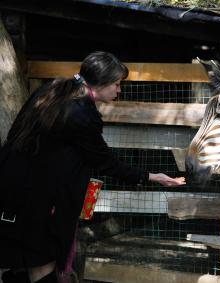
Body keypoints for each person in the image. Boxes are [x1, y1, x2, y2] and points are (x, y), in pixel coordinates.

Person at [0, 51, 186, 283]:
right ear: (102, 83)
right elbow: (104, 161)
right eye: (117, 84)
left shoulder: (51, 90)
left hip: (13, 188)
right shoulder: (82, 115)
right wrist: (150, 176)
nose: (119, 90)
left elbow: (16, 132)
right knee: (42, 263)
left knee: (27, 262)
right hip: (40, 199)